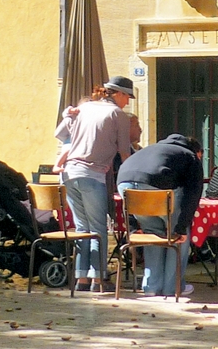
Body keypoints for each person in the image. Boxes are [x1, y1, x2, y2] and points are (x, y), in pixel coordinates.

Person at [60, 76, 134, 293]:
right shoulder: (118, 115)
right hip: (92, 175)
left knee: (83, 228)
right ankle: (99, 280)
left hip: (69, 173)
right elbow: (124, 151)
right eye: (127, 96)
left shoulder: (85, 108)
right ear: (119, 94)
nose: (127, 102)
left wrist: (68, 115)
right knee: (98, 229)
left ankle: (82, 279)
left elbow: (60, 134)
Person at [118, 134, 204, 297]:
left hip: (124, 182)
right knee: (177, 237)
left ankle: (151, 286)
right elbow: (193, 194)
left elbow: (127, 201)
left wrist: (132, 227)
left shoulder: (152, 149)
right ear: (197, 151)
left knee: (152, 234)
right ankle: (173, 287)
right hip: (157, 185)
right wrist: (181, 227)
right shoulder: (191, 157)